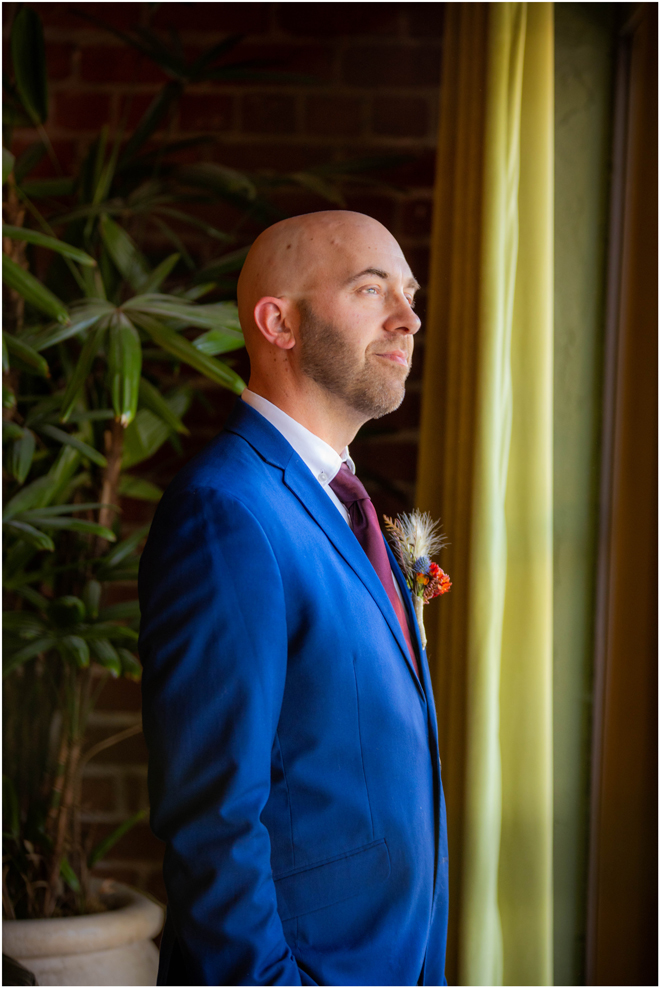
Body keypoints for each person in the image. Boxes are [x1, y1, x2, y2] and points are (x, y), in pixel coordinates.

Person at [139, 210, 449, 987]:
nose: (408, 319)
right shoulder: (226, 510)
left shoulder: (348, 506)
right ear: (278, 322)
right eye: (371, 289)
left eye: (409, 294)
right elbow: (212, 818)